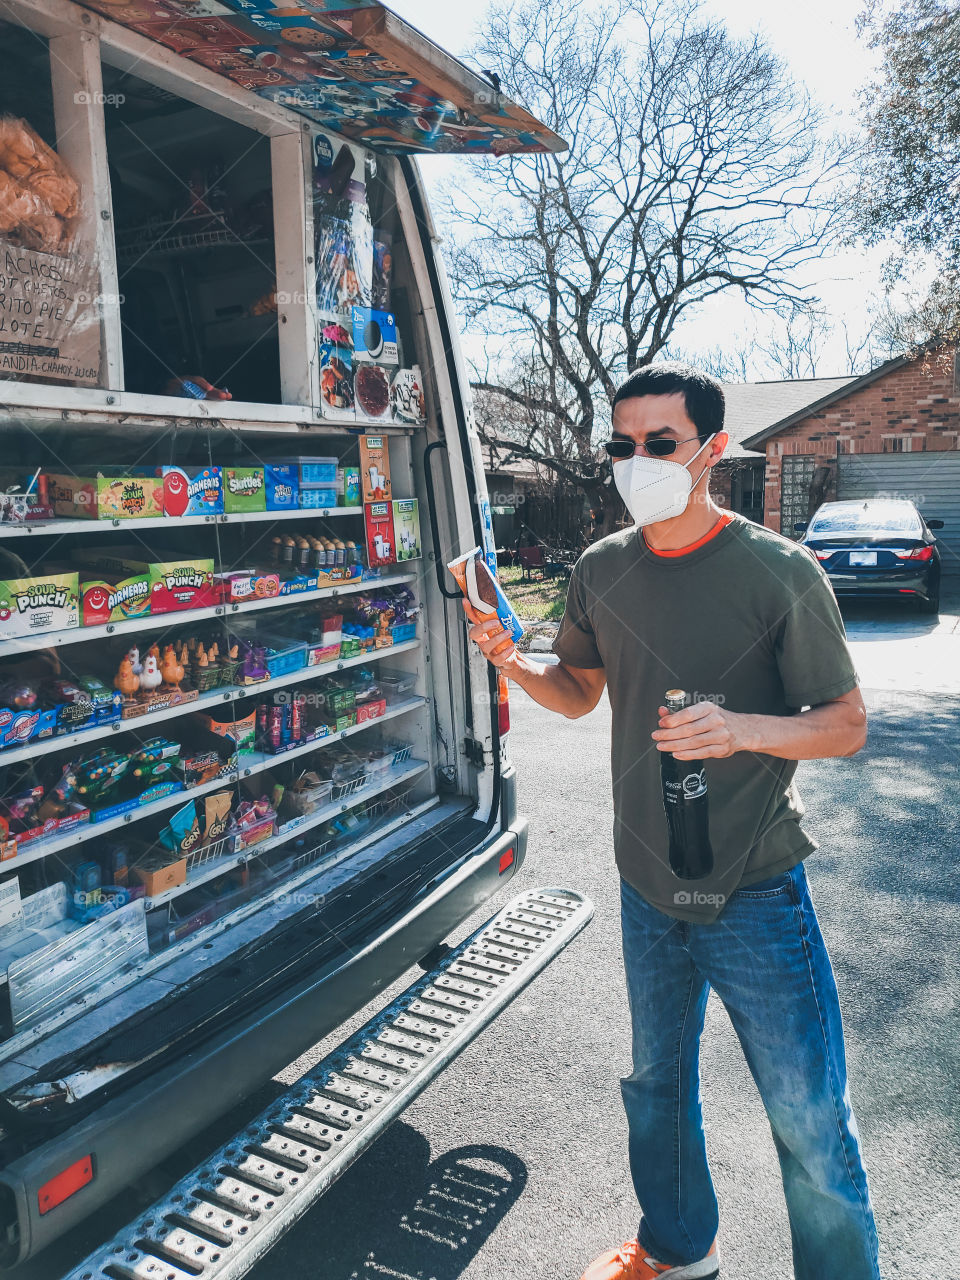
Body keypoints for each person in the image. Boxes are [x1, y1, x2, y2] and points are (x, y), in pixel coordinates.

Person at [462, 363, 880, 1280]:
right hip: (646, 882)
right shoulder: (602, 567)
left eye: (661, 443)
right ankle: (677, 1251)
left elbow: (846, 724)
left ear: (713, 451)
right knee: (658, 1089)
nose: (636, 459)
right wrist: (510, 658)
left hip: (755, 889)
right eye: (622, 443)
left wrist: (741, 732)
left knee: (808, 1116)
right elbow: (575, 695)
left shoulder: (780, 571)